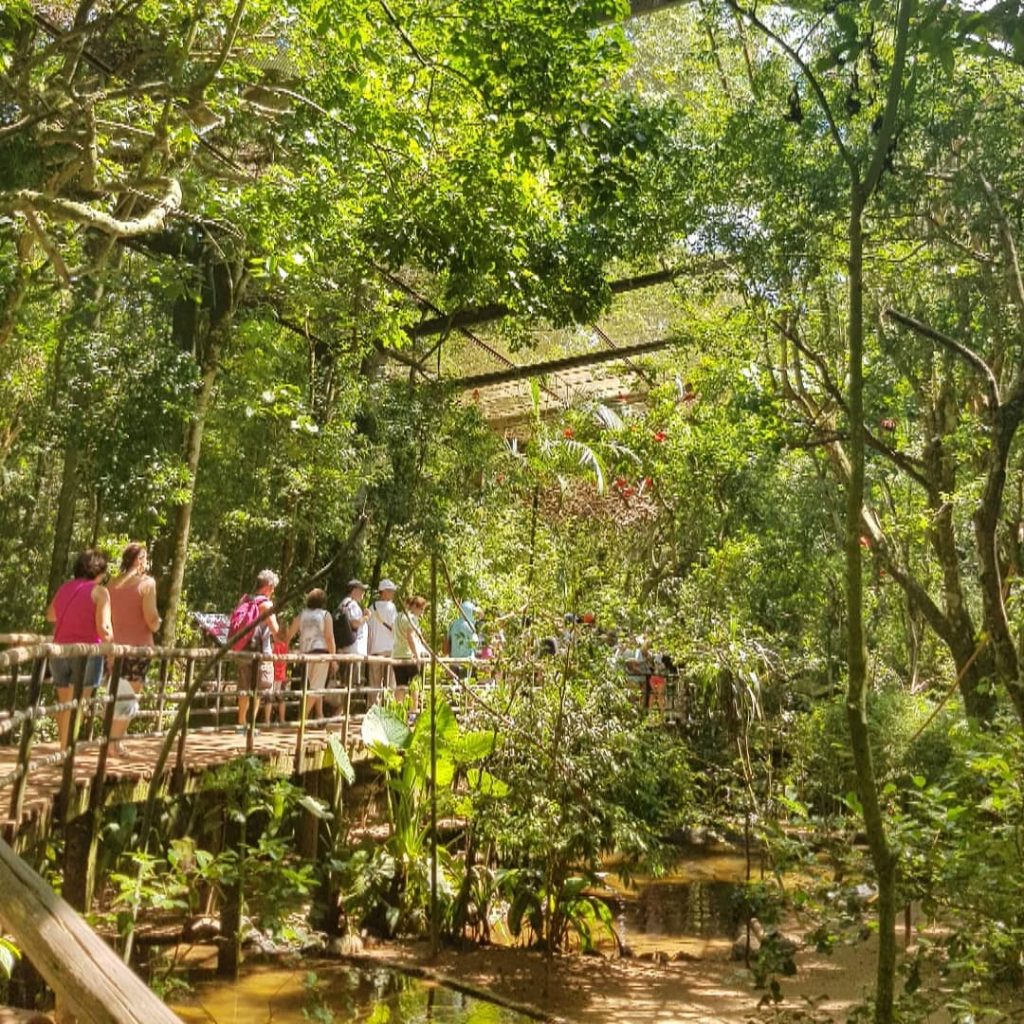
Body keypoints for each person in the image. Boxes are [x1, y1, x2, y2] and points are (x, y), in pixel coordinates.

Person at [46, 549, 113, 749]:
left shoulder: (65, 587)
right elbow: (104, 628)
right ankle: (68, 752)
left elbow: (50, 615)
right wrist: (112, 650)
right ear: (100, 572)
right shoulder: (100, 592)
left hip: (60, 651)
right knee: (79, 704)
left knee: (65, 702)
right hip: (87, 653)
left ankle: (63, 748)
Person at [107, 543, 161, 752]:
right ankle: (116, 742)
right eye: (144, 558)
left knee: (116, 694)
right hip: (138, 649)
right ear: (139, 560)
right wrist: (158, 623)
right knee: (129, 696)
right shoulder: (147, 584)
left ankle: (111, 740)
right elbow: (151, 618)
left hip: (115, 648)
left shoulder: (113, 583)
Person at [232, 569, 281, 728]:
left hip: (243, 650)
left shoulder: (244, 600)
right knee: (260, 689)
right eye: (273, 587)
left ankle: (241, 723)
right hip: (260, 652)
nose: (273, 591)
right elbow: (276, 630)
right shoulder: (266, 604)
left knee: (244, 688)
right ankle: (251, 726)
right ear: (267, 586)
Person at [284, 588, 335, 722]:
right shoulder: (325, 615)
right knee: (317, 688)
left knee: (312, 686)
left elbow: (289, 634)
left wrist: (286, 648)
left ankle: (318, 716)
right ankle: (302, 717)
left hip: (305, 654)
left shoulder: (302, 615)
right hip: (321, 654)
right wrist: (334, 658)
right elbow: (329, 638)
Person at [335, 579, 370, 708]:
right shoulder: (353, 605)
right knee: (351, 683)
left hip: (344, 648)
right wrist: (366, 616)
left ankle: (342, 713)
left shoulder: (343, 603)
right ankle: (342, 713)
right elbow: (355, 623)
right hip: (354, 649)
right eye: (361, 591)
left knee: (346, 682)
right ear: (354, 591)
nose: (363, 594)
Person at [392, 595, 428, 706]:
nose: (421, 613)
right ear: (415, 607)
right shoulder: (411, 618)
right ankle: (413, 712)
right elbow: (410, 636)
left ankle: (398, 711)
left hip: (397, 655)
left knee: (400, 685)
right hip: (408, 656)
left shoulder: (398, 617)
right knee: (415, 685)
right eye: (421, 609)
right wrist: (416, 655)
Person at [366, 579, 397, 702]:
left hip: (374, 649)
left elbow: (367, 629)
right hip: (389, 649)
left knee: (374, 683)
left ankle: (373, 708)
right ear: (384, 592)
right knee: (390, 683)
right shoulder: (391, 607)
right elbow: (395, 627)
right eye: (390, 591)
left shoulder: (371, 608)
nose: (392, 593)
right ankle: (389, 708)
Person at [447, 600, 479, 676]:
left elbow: (449, 639)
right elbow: (475, 643)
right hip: (467, 662)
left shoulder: (453, 624)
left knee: (453, 685)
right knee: (466, 685)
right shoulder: (470, 626)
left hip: (454, 662)